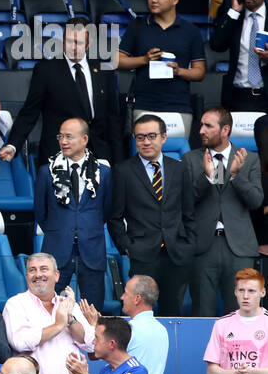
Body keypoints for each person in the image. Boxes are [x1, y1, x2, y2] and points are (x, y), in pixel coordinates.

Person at [0, 19, 126, 169]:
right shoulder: (46, 70)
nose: (73, 47)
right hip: (59, 154)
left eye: (78, 43)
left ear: (89, 43)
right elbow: (29, 112)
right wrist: (13, 145)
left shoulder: (104, 70)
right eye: (69, 41)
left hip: (98, 154)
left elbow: (112, 119)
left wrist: (119, 163)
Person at [3, 253, 94, 374]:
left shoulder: (68, 305)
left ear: (57, 275)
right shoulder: (16, 304)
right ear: (26, 275)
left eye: (44, 269)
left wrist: (69, 318)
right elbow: (20, 342)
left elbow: (90, 343)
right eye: (32, 270)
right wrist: (59, 323)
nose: (38, 274)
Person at [107, 115, 197, 315]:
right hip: (142, 254)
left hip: (176, 253)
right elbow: (115, 217)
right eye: (140, 137)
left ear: (163, 137)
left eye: (151, 136)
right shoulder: (123, 171)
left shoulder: (180, 168)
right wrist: (127, 247)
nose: (146, 142)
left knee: (172, 312)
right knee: (139, 312)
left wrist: (189, 244)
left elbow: (188, 212)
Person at [184, 108, 264, 315]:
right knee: (202, 311)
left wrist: (237, 176)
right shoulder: (190, 159)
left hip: (238, 248)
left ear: (225, 129)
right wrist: (207, 177)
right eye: (201, 125)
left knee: (241, 313)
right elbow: (185, 202)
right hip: (203, 247)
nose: (201, 130)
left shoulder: (250, 159)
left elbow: (256, 201)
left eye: (208, 126)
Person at [32, 118, 113, 310]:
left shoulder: (104, 172)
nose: (64, 141)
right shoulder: (47, 172)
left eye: (69, 136)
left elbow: (107, 210)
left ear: (84, 139)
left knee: (92, 312)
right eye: (61, 136)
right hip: (57, 251)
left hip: (91, 250)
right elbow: (40, 213)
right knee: (49, 310)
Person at [115, 0, 206, 137]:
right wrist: (144, 59)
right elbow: (117, 61)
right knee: (144, 158)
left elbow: (199, 72)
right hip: (144, 104)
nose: (153, 0)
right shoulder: (137, 26)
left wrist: (179, 71)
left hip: (179, 106)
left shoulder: (190, 31)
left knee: (176, 158)